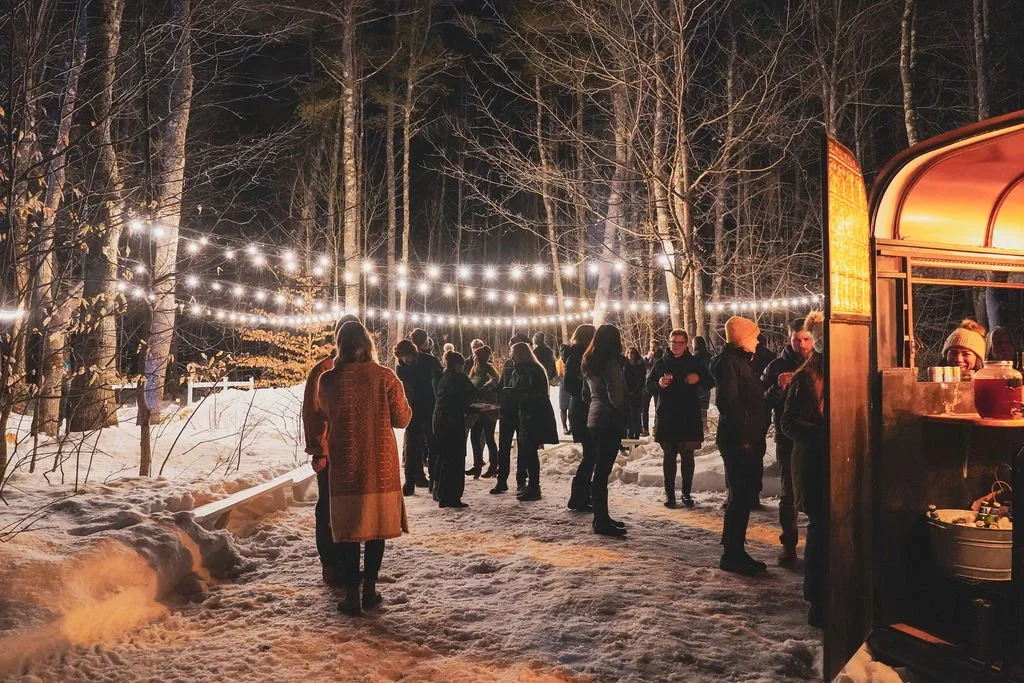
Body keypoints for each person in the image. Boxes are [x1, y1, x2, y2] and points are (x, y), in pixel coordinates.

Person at [312, 321, 412, 615]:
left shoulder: (329, 381)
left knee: (349, 529)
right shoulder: (385, 377)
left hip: (345, 463)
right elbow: (402, 419)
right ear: (367, 344)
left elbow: (326, 415)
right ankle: (370, 589)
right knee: (375, 528)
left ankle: (351, 595)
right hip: (380, 464)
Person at [302, 313, 360, 586]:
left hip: (356, 453)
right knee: (327, 507)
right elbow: (314, 414)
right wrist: (319, 450)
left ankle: (348, 564)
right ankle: (330, 563)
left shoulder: (363, 370)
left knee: (352, 508)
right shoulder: (324, 369)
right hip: (331, 452)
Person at [714, 316, 770, 576]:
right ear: (743, 338)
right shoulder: (730, 364)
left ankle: (735, 548)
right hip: (739, 440)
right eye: (754, 336)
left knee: (743, 495)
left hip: (746, 438)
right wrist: (744, 436)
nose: (758, 340)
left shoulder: (741, 361)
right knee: (739, 496)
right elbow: (730, 404)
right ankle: (732, 553)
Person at [781, 311, 826, 628]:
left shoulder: (849, 372)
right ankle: (818, 601)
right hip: (815, 466)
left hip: (839, 463)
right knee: (822, 533)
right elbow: (788, 424)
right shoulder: (807, 378)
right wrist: (824, 434)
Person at [761, 318, 814, 566]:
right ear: (789, 338)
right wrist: (777, 388)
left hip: (817, 435)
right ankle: (789, 545)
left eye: (806, 339)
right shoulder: (776, 366)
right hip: (788, 437)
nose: (802, 345)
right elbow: (761, 402)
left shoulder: (821, 362)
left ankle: (819, 545)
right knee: (789, 493)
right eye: (797, 339)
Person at [646, 329, 714, 509]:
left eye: (681, 342)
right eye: (674, 342)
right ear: (669, 343)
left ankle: (686, 493)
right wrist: (658, 384)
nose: (677, 345)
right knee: (669, 456)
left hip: (688, 416)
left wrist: (698, 378)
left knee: (687, 456)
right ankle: (670, 494)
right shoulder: (660, 363)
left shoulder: (694, 362)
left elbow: (709, 382)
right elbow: (648, 386)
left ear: (686, 344)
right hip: (667, 416)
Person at [583, 324, 630, 537]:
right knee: (602, 472)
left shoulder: (589, 362)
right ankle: (601, 520)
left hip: (594, 418)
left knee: (599, 470)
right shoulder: (611, 363)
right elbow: (616, 395)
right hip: (609, 420)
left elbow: (586, 394)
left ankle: (602, 517)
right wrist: (623, 413)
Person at [504, 342, 559, 501]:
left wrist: (513, 393)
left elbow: (532, 393)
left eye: (513, 353)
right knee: (528, 452)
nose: (511, 356)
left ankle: (534, 487)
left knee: (530, 451)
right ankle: (531, 485)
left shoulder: (532, 371)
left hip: (534, 415)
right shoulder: (526, 370)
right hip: (527, 414)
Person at [394, 338, 443, 495]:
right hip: (412, 410)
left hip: (430, 408)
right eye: (402, 356)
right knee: (411, 447)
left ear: (414, 353)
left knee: (433, 445)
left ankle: (434, 481)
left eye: (408, 355)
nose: (406, 359)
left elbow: (440, 383)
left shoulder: (430, 362)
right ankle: (410, 482)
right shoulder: (401, 368)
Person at [432, 351, 476, 508]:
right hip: (453, 422)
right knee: (456, 460)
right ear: (458, 365)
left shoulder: (443, 378)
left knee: (444, 458)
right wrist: (488, 386)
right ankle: (452, 496)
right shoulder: (459, 378)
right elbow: (472, 395)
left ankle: (440, 493)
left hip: (439, 421)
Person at [564, 324, 597, 512]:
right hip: (581, 410)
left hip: (584, 408)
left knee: (591, 454)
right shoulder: (576, 356)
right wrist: (587, 395)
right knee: (591, 454)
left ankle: (583, 495)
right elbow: (570, 384)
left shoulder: (585, 356)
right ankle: (579, 496)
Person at [493, 333, 531, 494]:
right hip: (507, 410)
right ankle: (502, 480)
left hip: (521, 410)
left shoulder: (530, 367)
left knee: (522, 447)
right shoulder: (508, 364)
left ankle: (521, 480)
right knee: (504, 446)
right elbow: (502, 384)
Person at [467, 345, 500, 479]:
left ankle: (494, 466)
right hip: (477, 408)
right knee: (475, 437)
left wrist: (484, 389)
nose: (475, 358)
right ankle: (477, 465)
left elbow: (496, 381)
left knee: (489, 437)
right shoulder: (475, 369)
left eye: (477, 356)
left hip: (488, 409)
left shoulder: (488, 368)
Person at [623, 347, 647, 440]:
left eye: (632, 353)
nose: (630, 354)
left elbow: (642, 380)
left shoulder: (640, 364)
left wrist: (635, 391)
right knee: (628, 417)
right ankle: (629, 436)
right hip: (627, 394)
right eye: (628, 352)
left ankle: (636, 437)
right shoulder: (625, 364)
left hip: (637, 394)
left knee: (636, 416)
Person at [641, 340, 664, 437]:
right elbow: (641, 366)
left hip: (656, 384)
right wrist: (646, 358)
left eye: (654, 347)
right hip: (646, 384)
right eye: (650, 347)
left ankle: (656, 427)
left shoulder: (661, 357)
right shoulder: (648, 357)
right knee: (644, 408)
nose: (652, 349)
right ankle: (645, 428)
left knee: (657, 407)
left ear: (658, 347)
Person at [691, 336, 713, 431]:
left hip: (697, 386)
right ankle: (704, 428)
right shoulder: (709, 357)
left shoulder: (694, 358)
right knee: (703, 409)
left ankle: (699, 429)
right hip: (706, 386)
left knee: (696, 409)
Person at [558, 343, 571, 434]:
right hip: (563, 383)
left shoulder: (572, 360)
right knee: (563, 407)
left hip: (568, 383)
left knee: (569, 407)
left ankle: (570, 426)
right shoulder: (559, 362)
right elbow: (558, 373)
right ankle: (565, 427)